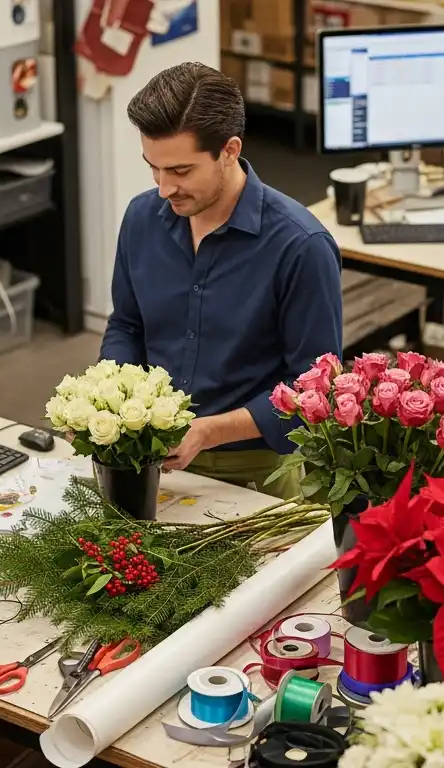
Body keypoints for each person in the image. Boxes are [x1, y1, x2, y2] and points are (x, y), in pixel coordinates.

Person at [99, 62, 343, 498]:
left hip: (255, 467)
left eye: (180, 171)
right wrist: (114, 399)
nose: (163, 188)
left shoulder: (301, 246)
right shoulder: (141, 219)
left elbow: (313, 389)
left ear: (229, 150)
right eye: (153, 168)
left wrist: (208, 432)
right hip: (145, 458)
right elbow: (127, 325)